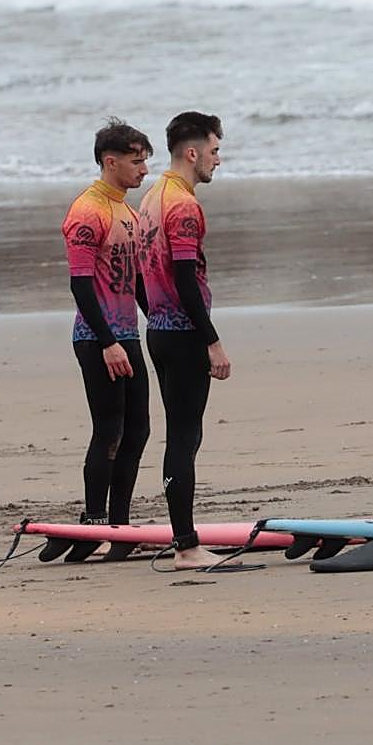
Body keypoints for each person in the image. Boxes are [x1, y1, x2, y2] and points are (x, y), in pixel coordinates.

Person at [138, 111, 235, 570]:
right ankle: (187, 547)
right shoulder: (184, 206)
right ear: (192, 153)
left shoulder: (152, 198)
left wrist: (153, 318)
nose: (219, 160)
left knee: (179, 434)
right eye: (214, 151)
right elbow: (184, 278)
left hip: (161, 330)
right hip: (183, 334)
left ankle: (185, 541)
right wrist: (211, 341)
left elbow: (143, 276)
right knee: (183, 437)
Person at [58, 119, 152, 562]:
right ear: (110, 161)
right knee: (109, 431)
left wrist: (166, 325)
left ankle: (120, 526)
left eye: (146, 159)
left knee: (139, 429)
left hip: (127, 335)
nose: (144, 169)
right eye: (137, 161)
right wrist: (107, 342)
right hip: (98, 338)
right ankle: (94, 522)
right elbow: (80, 286)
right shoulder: (86, 211)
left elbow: (136, 284)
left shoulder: (128, 213)